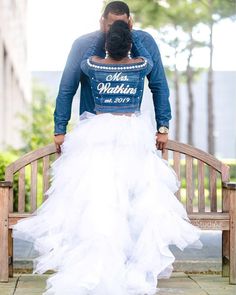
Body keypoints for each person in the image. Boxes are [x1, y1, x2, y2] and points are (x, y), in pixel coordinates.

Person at [12, 19, 202, 295]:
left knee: (100, 201)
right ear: (129, 45)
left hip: (97, 134)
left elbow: (78, 71)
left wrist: (106, 36)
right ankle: (126, 269)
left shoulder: (92, 64)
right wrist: (130, 34)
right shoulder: (140, 64)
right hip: (132, 136)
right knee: (133, 203)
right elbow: (152, 67)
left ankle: (100, 265)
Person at [54, 1, 171, 153]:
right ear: (102, 21)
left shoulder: (144, 42)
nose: (116, 29)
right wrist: (60, 129)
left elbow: (159, 85)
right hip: (92, 134)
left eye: (121, 24)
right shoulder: (82, 44)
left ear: (129, 22)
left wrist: (163, 127)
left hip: (130, 136)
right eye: (111, 25)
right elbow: (67, 88)